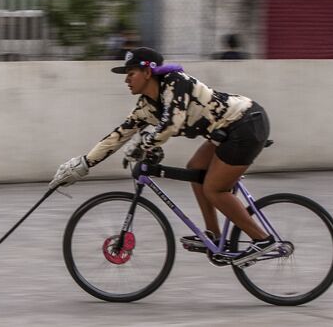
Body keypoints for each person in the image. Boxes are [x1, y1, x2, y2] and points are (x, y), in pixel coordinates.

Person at [49, 47, 275, 266]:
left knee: (214, 188)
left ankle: (261, 239)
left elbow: (171, 124)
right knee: (195, 168)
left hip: (245, 123)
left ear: (148, 72)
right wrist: (83, 164)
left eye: (131, 74)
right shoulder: (146, 107)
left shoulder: (176, 82)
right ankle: (214, 237)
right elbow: (117, 137)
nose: (126, 80)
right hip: (226, 130)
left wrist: (144, 144)